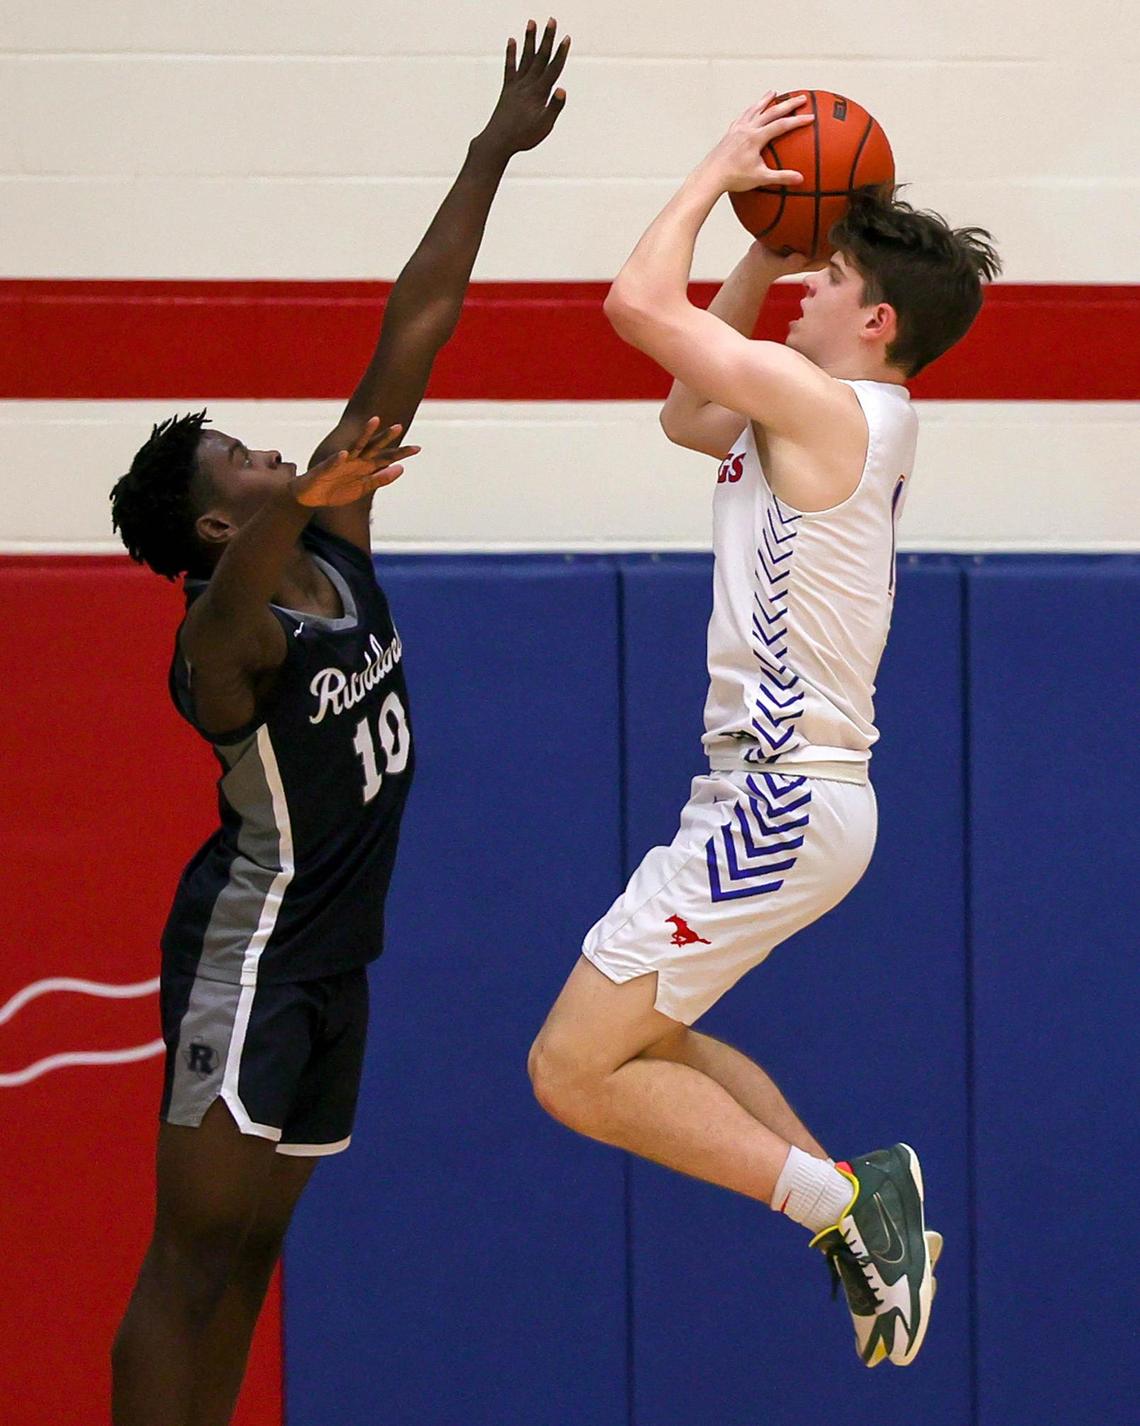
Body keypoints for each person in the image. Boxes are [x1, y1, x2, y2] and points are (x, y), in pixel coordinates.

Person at [107, 21, 570, 1426]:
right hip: (245, 960)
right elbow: (246, 579)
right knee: (186, 1261)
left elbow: (411, 326)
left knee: (249, 1260)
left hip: (334, 964)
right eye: (241, 458)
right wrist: (304, 492)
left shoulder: (334, 534)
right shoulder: (222, 630)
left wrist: (490, 155)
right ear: (212, 519)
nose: (273, 449)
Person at [528, 92, 999, 1368]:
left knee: (572, 1072)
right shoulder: (807, 412)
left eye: (827, 276)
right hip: (777, 800)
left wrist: (715, 172)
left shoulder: (831, 410)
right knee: (645, 1042)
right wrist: (763, 246)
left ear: (878, 320)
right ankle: (856, 1198)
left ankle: (844, 1204)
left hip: (779, 802)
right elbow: (687, 413)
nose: (805, 292)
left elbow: (635, 308)